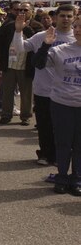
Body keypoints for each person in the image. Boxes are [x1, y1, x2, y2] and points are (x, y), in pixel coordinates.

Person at [11, 4, 77, 168]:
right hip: (43, 90)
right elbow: (20, 49)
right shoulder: (42, 36)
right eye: (62, 16)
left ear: (74, 18)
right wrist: (18, 31)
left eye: (69, 16)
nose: (66, 19)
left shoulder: (76, 38)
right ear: (56, 17)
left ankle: (62, 156)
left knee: (63, 129)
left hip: (67, 92)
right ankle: (46, 154)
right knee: (44, 125)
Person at [32, 16, 81, 196]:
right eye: (76, 26)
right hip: (62, 103)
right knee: (63, 143)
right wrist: (45, 45)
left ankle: (76, 178)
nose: (77, 29)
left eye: (80, 26)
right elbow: (38, 64)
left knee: (79, 145)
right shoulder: (61, 50)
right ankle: (61, 177)